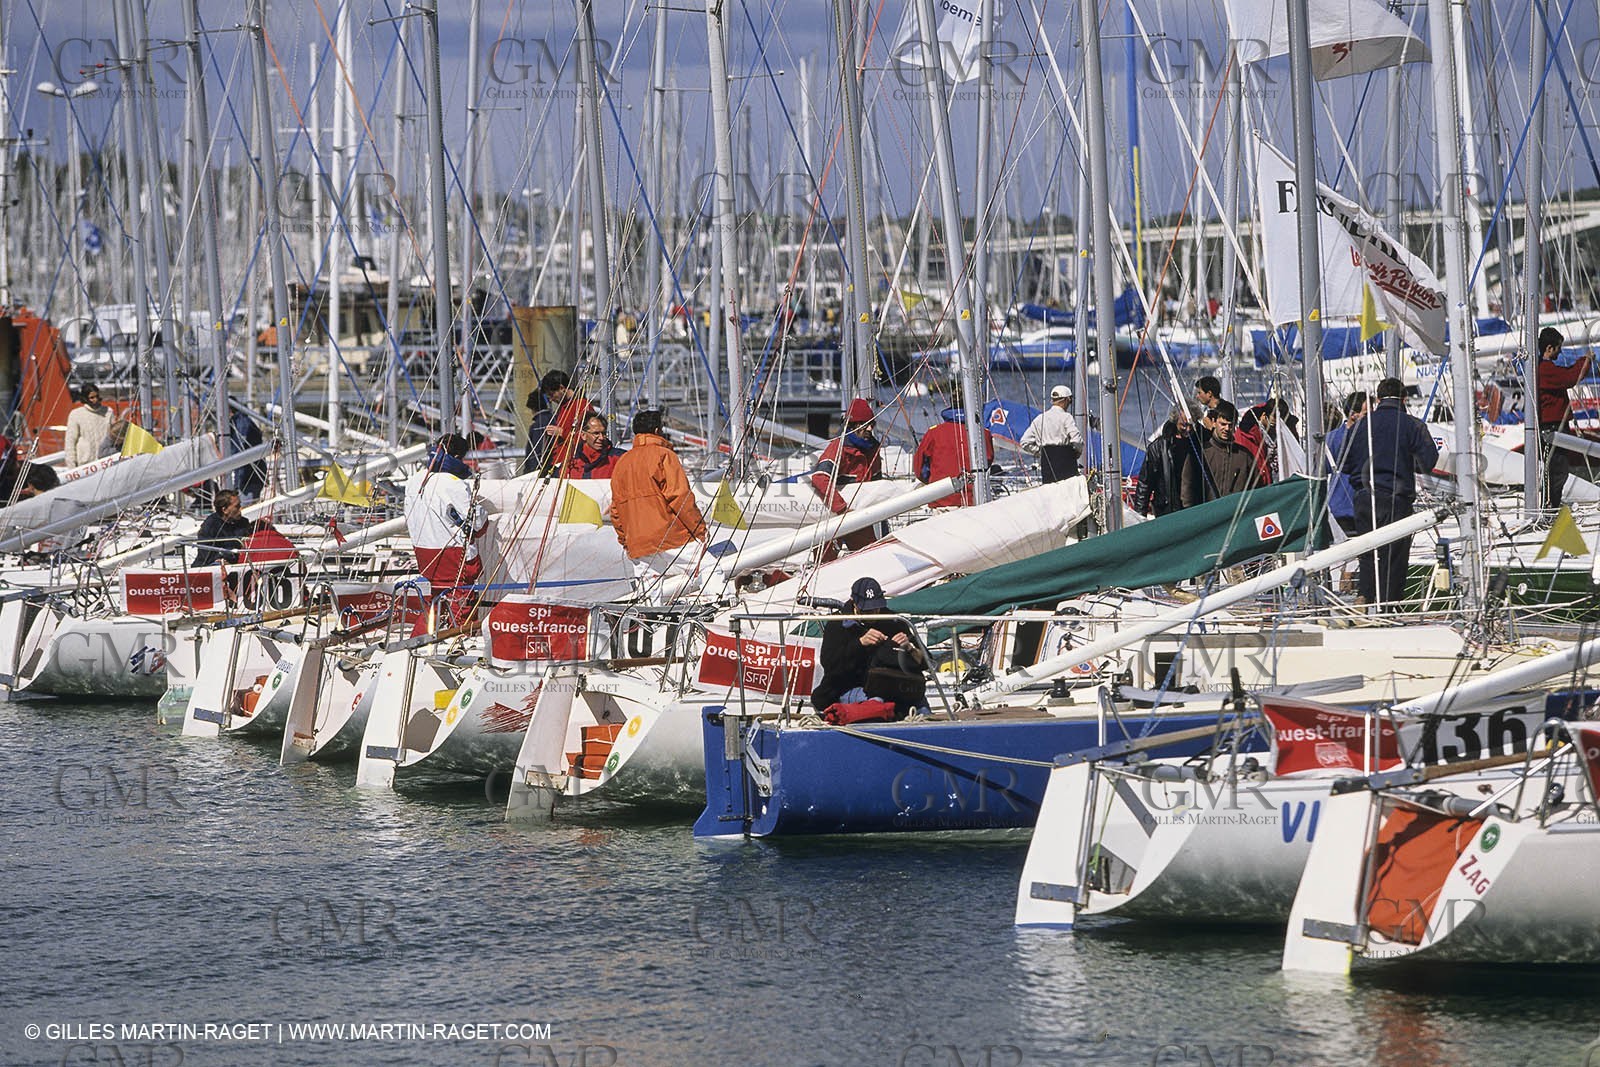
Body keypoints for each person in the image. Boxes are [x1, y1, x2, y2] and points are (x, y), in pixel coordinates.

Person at [1340, 377, 1439, 610]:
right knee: (1394, 555)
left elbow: (1344, 463)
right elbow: (1429, 461)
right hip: (1396, 497)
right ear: (1404, 399)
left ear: (1377, 399)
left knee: (1367, 551)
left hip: (1364, 496)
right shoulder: (1413, 425)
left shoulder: (1360, 426)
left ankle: (1364, 596)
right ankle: (1389, 606)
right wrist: (1406, 461)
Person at [404, 433, 491, 633]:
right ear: (459, 457)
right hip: (453, 556)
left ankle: (418, 639)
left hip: (424, 554)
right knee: (461, 602)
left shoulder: (415, 481)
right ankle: (457, 641)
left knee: (434, 604)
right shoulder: (453, 483)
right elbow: (479, 524)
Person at [810, 576, 927, 720]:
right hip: (849, 688)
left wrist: (910, 649)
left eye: (876, 607)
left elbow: (927, 662)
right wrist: (860, 644)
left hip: (892, 686)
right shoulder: (837, 624)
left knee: (919, 703)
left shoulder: (894, 622)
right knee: (877, 704)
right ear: (854, 602)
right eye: (866, 609)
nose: (873, 612)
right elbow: (830, 665)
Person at [609, 409, 708, 574]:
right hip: (669, 535)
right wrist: (699, 529)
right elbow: (679, 497)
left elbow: (616, 509)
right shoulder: (664, 455)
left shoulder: (622, 462)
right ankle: (719, 599)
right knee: (709, 568)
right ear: (657, 431)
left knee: (649, 590)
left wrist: (625, 540)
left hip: (637, 541)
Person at [811, 398, 884, 553]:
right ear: (852, 425)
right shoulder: (839, 448)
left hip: (859, 514)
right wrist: (841, 508)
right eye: (865, 424)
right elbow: (819, 478)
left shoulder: (872, 449)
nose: (870, 429)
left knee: (869, 554)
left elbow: (877, 484)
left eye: (872, 424)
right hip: (836, 514)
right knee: (825, 558)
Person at [1534, 326, 1592, 509]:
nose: (1560, 352)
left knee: (1557, 471)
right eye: (1558, 348)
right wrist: (1586, 360)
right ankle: (1551, 507)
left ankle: (1551, 505)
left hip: (1554, 427)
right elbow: (1569, 377)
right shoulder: (1545, 370)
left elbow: (1566, 375)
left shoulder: (1544, 369)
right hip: (1552, 429)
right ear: (1549, 348)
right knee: (1557, 472)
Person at [912, 406, 994, 507]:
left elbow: (919, 466)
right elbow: (988, 460)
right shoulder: (983, 433)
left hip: (941, 500)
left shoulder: (934, 432)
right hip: (974, 500)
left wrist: (932, 482)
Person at [1134, 406, 1202, 517]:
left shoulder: (1198, 443)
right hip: (1166, 509)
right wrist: (1139, 515)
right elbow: (1145, 484)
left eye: (1191, 425)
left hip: (1193, 508)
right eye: (1184, 425)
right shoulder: (1158, 447)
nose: (1188, 429)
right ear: (1175, 421)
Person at [1018, 384, 1085, 483]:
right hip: (1066, 459)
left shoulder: (1040, 418)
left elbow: (1024, 442)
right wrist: (1076, 453)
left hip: (1047, 461)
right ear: (1066, 400)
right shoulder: (1066, 417)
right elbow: (1077, 440)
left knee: (1049, 490)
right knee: (1067, 492)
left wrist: (1040, 452)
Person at [533, 369, 594, 477]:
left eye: (552, 395)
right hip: (559, 465)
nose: (551, 400)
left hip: (572, 466)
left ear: (562, 388)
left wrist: (561, 432)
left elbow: (589, 438)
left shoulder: (582, 405)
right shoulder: (564, 407)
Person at [1199, 400, 1263, 500]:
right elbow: (1189, 488)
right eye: (1223, 424)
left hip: (1237, 512)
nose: (1227, 429)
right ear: (1214, 422)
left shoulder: (1244, 456)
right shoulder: (1202, 453)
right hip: (1208, 512)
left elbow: (1257, 489)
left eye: (1230, 425)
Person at [1325, 391, 1368, 537]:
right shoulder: (1332, 439)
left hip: (1356, 507)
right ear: (1353, 415)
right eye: (1366, 414)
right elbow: (1321, 471)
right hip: (1343, 508)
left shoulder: (1331, 437)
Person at [193, 489, 254, 567]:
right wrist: (223, 560)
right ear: (224, 510)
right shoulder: (210, 525)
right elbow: (206, 555)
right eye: (237, 506)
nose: (240, 509)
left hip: (237, 566)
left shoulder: (244, 523)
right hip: (209, 568)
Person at [562, 413, 626, 480]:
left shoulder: (619, 458)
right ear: (583, 435)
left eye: (604, 433)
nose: (601, 437)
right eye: (596, 433)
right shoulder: (571, 461)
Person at [64, 384, 113, 467]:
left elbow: (113, 436)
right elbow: (70, 442)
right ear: (85, 398)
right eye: (92, 397)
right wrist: (71, 464)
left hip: (106, 461)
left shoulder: (109, 412)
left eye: (97, 396)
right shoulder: (76, 414)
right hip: (85, 463)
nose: (96, 400)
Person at [230, 409, 267, 502]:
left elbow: (240, 453)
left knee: (245, 509)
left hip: (248, 479)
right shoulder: (240, 422)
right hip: (252, 476)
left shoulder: (240, 423)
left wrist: (238, 484)